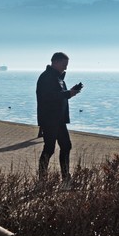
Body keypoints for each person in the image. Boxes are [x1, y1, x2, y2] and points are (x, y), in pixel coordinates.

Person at [36, 52, 82, 181]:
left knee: (66, 146)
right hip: (50, 119)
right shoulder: (46, 77)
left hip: (59, 120)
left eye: (66, 65)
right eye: (64, 64)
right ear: (55, 62)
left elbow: (60, 94)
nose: (66, 68)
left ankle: (66, 177)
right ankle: (42, 179)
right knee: (49, 149)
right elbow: (48, 97)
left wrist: (70, 92)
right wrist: (68, 94)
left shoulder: (59, 78)